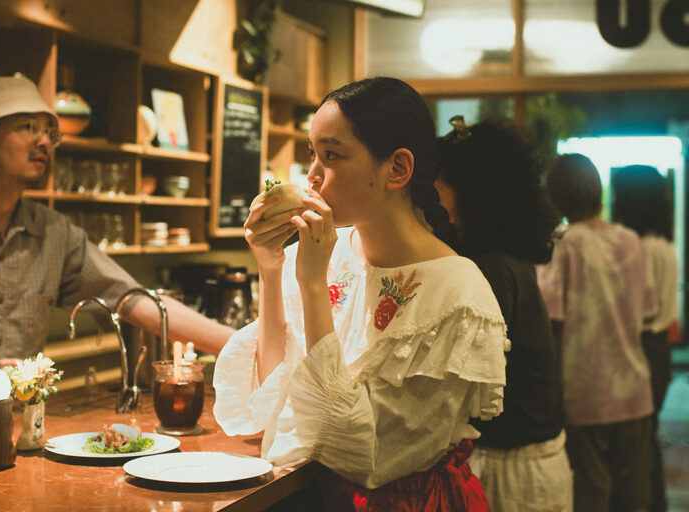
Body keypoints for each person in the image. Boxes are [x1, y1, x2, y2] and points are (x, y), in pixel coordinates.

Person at [213, 77, 509, 511]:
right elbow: (272, 401)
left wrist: (314, 286)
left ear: (397, 169)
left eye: (331, 156)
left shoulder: (458, 294)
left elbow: (359, 453)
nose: (312, 176)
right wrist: (271, 266)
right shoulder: (329, 252)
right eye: (311, 153)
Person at [0, 75, 234, 370]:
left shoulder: (53, 232)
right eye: (29, 127)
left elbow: (131, 300)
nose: (44, 140)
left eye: (49, 131)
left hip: (23, 418)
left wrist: (240, 346)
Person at [432, 117, 572, 511]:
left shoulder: (491, 269)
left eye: (439, 180)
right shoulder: (504, 259)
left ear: (472, 190)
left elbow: (456, 387)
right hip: (526, 459)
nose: (432, 194)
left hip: (514, 468)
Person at [537, 153, 657, 512]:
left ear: (554, 195)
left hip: (584, 395)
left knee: (590, 496)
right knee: (634, 497)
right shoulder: (631, 240)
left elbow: (551, 320)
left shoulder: (563, 243)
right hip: (635, 390)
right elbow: (648, 315)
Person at [611, 164, 678, 512]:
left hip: (641, 349)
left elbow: (638, 311)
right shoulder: (664, 246)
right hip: (658, 349)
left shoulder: (640, 247)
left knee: (637, 448)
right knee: (644, 441)